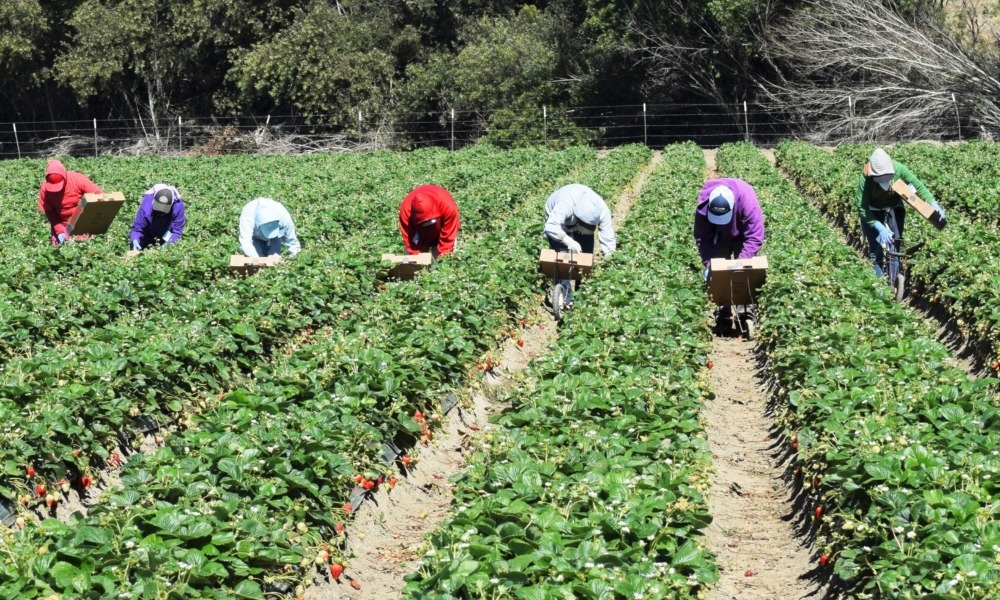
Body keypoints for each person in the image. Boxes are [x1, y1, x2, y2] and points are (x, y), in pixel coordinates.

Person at [857, 148, 945, 277]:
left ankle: (893, 282)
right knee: (875, 250)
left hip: (894, 206)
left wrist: (933, 204)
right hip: (872, 210)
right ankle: (879, 282)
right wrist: (879, 227)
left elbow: (919, 186)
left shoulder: (899, 168)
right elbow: (862, 207)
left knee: (895, 247)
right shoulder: (866, 177)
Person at [542, 184, 616, 309]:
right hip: (558, 223)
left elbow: (608, 238)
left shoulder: (602, 210)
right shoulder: (565, 205)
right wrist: (567, 240)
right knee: (562, 258)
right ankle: (563, 297)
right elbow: (551, 226)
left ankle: (581, 295)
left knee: (585, 258)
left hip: (575, 219)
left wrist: (610, 258)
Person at [693, 178, 765, 279]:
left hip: (741, 233)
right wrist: (709, 263)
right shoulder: (703, 206)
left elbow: (754, 236)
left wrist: (741, 263)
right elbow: (703, 238)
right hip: (719, 236)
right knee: (719, 274)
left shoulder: (748, 203)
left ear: (733, 206)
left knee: (743, 274)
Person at [37, 159, 103, 245]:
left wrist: (92, 220)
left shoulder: (77, 179)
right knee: (59, 250)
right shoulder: (44, 189)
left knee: (83, 247)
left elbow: (98, 195)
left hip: (81, 222)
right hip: (60, 223)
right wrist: (58, 228)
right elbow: (49, 211)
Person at [398, 184, 460, 257]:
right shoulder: (406, 212)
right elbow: (412, 244)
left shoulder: (447, 206)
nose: (428, 226)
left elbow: (448, 237)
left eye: (430, 222)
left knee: (446, 256)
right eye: (424, 224)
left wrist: (443, 258)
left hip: (441, 228)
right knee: (412, 260)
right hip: (420, 234)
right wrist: (417, 260)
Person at [129, 184, 186, 250]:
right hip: (147, 234)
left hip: (166, 235)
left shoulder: (177, 207)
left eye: (162, 213)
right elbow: (137, 229)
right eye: (157, 211)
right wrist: (135, 240)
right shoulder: (146, 208)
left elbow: (176, 231)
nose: (159, 214)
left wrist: (167, 246)